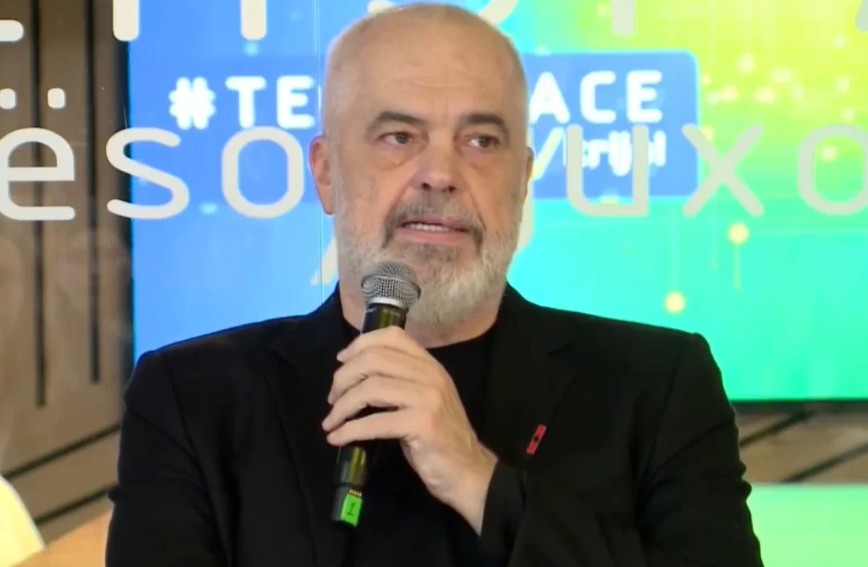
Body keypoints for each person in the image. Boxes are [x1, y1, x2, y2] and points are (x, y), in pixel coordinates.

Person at [105, 3, 764, 566]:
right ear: (327, 173)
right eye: (399, 136)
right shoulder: (194, 399)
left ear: (522, 179)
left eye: (481, 141)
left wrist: (480, 480)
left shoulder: (658, 386)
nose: (440, 174)